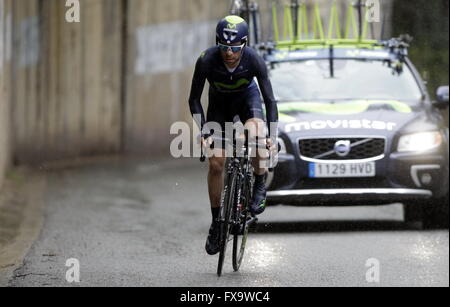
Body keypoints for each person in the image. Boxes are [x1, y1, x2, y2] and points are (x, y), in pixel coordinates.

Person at [188, 15, 278, 255]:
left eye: (235, 47)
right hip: (219, 107)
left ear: (244, 43)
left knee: (257, 135)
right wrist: (203, 129)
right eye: (224, 47)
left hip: (247, 101)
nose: (229, 53)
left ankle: (259, 184)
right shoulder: (206, 59)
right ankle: (217, 223)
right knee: (216, 163)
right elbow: (194, 99)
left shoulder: (254, 60)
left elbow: (269, 100)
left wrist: (272, 135)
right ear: (218, 42)